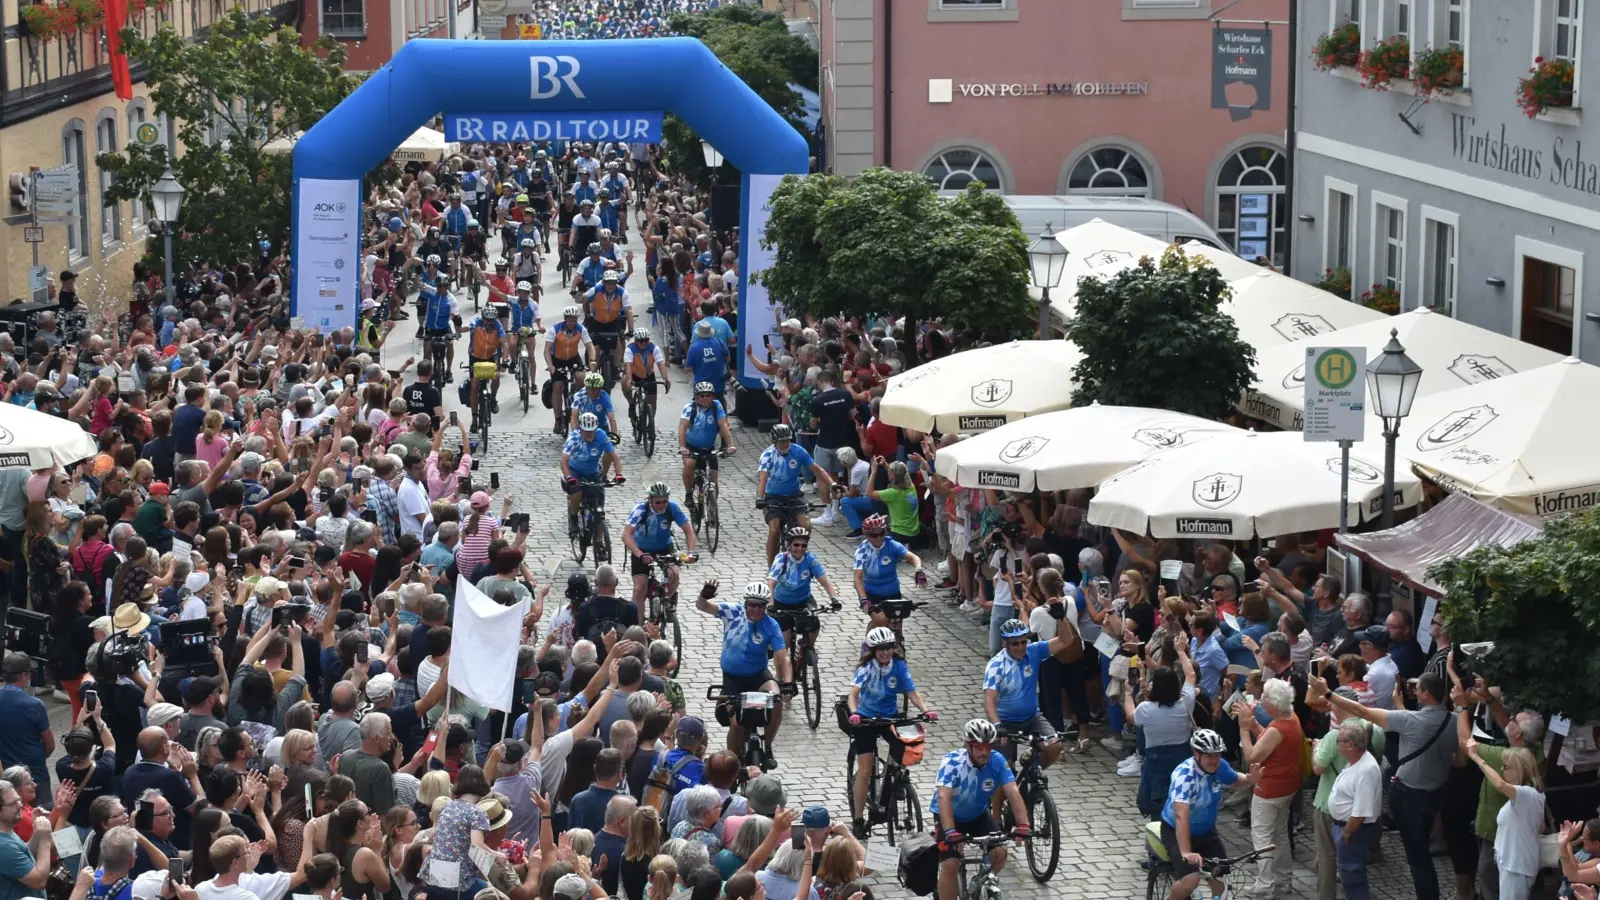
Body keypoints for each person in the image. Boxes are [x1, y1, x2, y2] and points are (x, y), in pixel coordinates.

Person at [1312, 671, 1457, 900]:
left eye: (1417, 688)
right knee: (1420, 853)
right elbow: (1458, 760)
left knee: (1417, 856)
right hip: (1436, 794)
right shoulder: (1454, 720)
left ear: (1426, 693)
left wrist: (1328, 693)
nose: (1413, 691)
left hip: (1409, 796)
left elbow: (1362, 711)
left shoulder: (1411, 720)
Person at [845, 627, 935, 838]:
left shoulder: (899, 666)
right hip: (866, 720)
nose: (885, 653)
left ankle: (893, 783)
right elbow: (853, 695)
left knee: (903, 747)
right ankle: (858, 818)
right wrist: (855, 712)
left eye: (888, 648)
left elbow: (911, 691)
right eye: (880, 649)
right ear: (873, 651)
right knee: (865, 770)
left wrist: (925, 710)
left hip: (888, 718)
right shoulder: (866, 668)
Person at [693, 581, 792, 765]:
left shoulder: (771, 625)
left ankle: (768, 746)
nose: (755, 610)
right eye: (752, 605)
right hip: (733, 678)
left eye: (760, 606)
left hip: (758, 675)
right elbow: (702, 607)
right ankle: (731, 761)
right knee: (737, 725)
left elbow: (782, 656)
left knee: (776, 698)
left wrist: (787, 684)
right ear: (745, 603)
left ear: (766, 606)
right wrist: (704, 596)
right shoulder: (733, 612)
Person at [931, 721, 1029, 900]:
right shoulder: (952, 762)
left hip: (977, 814)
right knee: (951, 864)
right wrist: (951, 831)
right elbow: (944, 798)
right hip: (948, 815)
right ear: (967, 745)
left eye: (988, 747)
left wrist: (1023, 824)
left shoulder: (997, 760)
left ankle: (978, 883)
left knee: (1000, 853)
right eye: (979, 747)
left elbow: (1013, 791)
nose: (984, 752)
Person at [1159, 729, 1261, 900]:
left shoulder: (1219, 766)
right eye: (1209, 756)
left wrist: (1250, 780)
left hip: (1206, 832)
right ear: (1196, 754)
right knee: (1191, 879)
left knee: (1221, 880)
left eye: (1217, 755)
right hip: (1177, 831)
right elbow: (1181, 816)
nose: (1214, 760)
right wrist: (1186, 852)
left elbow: (1235, 780)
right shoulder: (1184, 776)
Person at [1235, 678, 1303, 898]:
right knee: (1280, 834)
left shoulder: (1277, 728)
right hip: (1288, 787)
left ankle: (1265, 884)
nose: (1261, 700)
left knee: (1263, 837)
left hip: (1270, 789)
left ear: (1274, 704)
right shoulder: (1291, 718)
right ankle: (1284, 880)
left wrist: (1245, 730)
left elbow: (1253, 756)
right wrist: (1255, 725)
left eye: (1264, 697)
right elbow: (1271, 741)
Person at [983, 618, 1081, 771]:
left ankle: (1030, 772)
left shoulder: (1034, 651)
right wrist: (997, 726)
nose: (1021, 647)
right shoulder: (996, 665)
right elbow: (989, 700)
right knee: (1004, 771)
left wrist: (1060, 619)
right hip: (1005, 723)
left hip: (1032, 718)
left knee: (1055, 747)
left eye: (1024, 642)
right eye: (1015, 643)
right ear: (1004, 643)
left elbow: (1066, 640)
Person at [1466, 740, 1545, 900]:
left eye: (1506, 767)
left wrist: (1476, 758)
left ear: (1518, 770)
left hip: (1516, 866)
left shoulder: (1526, 794)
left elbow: (1499, 784)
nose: (1502, 769)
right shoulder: (1526, 795)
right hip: (1513, 863)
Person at [756, 425, 834, 565]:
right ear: (774, 441)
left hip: (793, 495)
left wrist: (832, 484)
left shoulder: (798, 451)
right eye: (781, 441)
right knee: (774, 529)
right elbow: (763, 479)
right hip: (773, 496)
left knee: (806, 525)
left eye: (787, 441)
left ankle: (800, 551)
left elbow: (817, 469)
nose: (785, 444)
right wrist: (760, 498)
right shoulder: (767, 455)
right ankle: (771, 565)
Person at [623, 482, 696, 620]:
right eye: (658, 502)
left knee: (673, 574)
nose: (662, 505)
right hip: (641, 550)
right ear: (650, 500)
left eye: (665, 501)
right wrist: (640, 555)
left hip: (664, 548)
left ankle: (665, 598)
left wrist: (691, 552)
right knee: (639, 589)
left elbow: (689, 531)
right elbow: (626, 535)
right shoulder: (640, 509)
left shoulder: (672, 508)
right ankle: (637, 627)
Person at [1327, 720, 1383, 900]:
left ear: (1349, 745)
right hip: (1345, 828)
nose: (1337, 745)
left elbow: (1359, 813)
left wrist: (1345, 835)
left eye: (1339, 741)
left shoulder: (1366, 770)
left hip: (1352, 831)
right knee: (1348, 876)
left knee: (1353, 878)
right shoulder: (1356, 761)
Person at [853, 515, 921, 631]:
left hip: (893, 593)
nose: (879, 538)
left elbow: (913, 557)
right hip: (872, 594)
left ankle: (898, 645)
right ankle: (869, 643)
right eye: (874, 535)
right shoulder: (862, 551)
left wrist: (919, 569)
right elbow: (857, 578)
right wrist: (863, 599)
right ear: (867, 535)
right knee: (881, 621)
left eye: (881, 533)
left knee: (896, 625)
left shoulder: (892, 545)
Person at [677, 382, 735, 500]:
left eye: (708, 395)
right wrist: (683, 447)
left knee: (714, 479)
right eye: (702, 395)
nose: (705, 398)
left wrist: (730, 445)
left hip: (709, 448)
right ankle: (689, 494)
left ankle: (712, 509)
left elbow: (723, 425)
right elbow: (682, 427)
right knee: (689, 465)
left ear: (713, 396)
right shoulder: (690, 407)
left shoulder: (716, 406)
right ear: (696, 397)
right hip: (692, 447)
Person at [0, 777, 53, 900]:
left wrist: (38, 831)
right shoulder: (4, 846)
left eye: (18, 799)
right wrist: (45, 839)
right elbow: (38, 882)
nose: (20, 805)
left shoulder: (6, 831)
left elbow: (25, 851)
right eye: (13, 803)